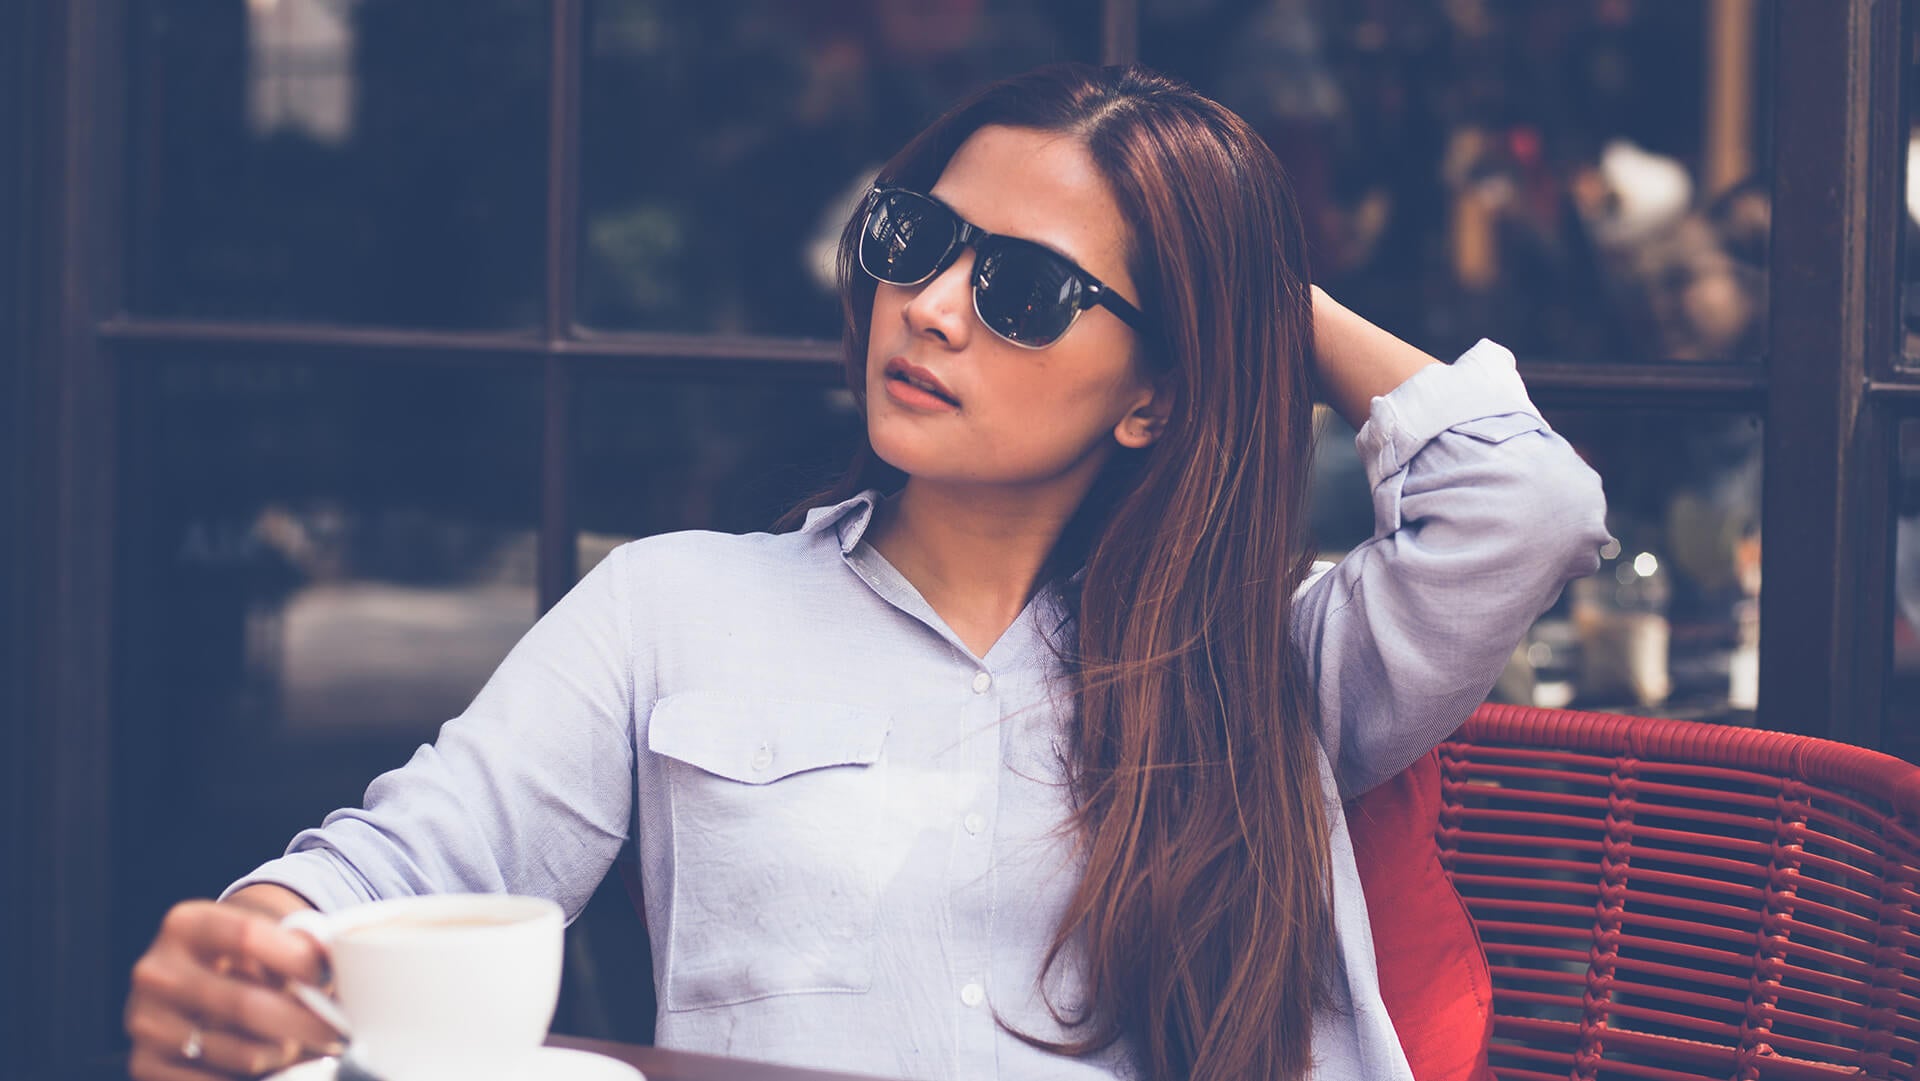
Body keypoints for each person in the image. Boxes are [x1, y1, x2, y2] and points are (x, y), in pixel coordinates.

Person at [124, 63, 1608, 1081]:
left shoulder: (1267, 672)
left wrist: (1258, 295)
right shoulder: (673, 604)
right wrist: (262, 944)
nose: (935, 307)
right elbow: (417, 861)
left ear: (1154, 392)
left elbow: (1523, 502)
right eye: (919, 240)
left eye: (1026, 289)